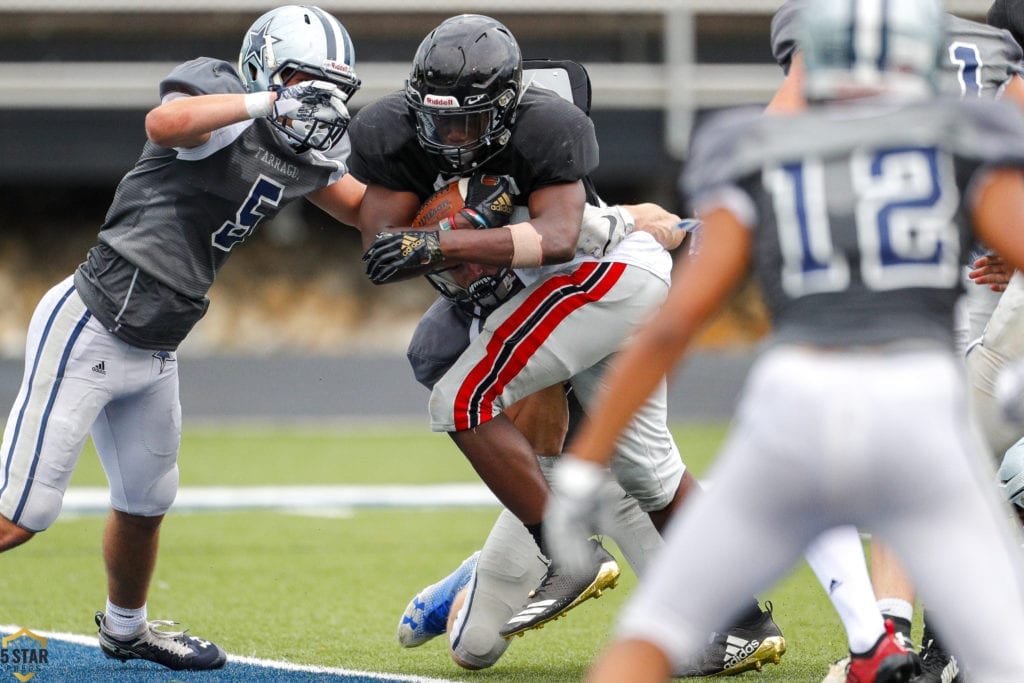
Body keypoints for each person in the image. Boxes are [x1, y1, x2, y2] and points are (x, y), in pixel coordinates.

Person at [544, 0, 1024, 680]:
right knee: (1006, 658)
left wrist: (585, 464)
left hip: (796, 401)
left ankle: (873, 636)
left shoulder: (757, 148)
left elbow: (676, 324)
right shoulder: (963, 141)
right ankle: (883, 634)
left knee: (653, 635)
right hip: (917, 402)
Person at [349, 13, 784, 663]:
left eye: (466, 122)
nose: (450, 138)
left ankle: (565, 552)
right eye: (437, 120)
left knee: (461, 400)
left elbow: (564, 237)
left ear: (501, 109)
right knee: (646, 469)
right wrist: (448, 241)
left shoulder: (546, 133)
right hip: (570, 317)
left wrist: (447, 240)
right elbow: (383, 247)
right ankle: (740, 614)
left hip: (596, 285)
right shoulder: (395, 140)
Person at [0, 5, 367, 671]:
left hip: (156, 346)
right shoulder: (218, 90)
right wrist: (265, 101)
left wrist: (450, 212)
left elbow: (369, 212)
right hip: (90, 322)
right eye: (302, 82)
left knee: (146, 503)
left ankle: (126, 628)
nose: (315, 103)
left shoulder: (306, 150)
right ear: (265, 68)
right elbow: (164, 123)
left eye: (328, 90)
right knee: (19, 516)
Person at [770, 2, 1024, 680]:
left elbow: (779, 133)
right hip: (978, 259)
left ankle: (897, 631)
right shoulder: (999, 37)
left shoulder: (835, 30)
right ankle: (912, 632)